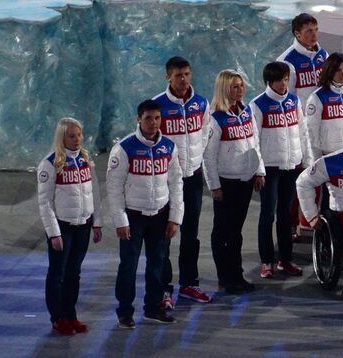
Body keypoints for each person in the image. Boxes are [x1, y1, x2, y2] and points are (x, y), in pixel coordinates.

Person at [107, 100, 183, 329]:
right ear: (139, 119)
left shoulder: (169, 147)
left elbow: (176, 183)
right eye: (148, 118)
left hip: (160, 215)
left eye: (157, 118)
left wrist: (174, 218)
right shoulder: (124, 148)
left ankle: (153, 308)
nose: (153, 123)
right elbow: (114, 188)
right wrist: (121, 220)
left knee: (157, 264)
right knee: (128, 265)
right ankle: (125, 311)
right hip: (133, 217)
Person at [153, 56, 212, 308]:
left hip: (193, 177)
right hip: (167, 181)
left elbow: (205, 133)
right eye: (178, 75)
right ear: (168, 76)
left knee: (191, 234)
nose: (183, 79)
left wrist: (196, 161)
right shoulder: (158, 106)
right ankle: (163, 288)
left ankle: (189, 283)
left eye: (187, 74)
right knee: (164, 235)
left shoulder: (200, 102)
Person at [202, 70, 264, 294]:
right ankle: (225, 277)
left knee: (236, 231)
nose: (240, 90)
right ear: (224, 89)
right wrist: (214, 186)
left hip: (245, 180)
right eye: (235, 86)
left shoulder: (246, 111)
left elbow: (254, 143)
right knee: (223, 232)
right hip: (226, 183)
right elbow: (208, 156)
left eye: (241, 85)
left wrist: (259, 171)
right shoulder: (214, 118)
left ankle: (236, 275)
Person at [38, 117, 101, 336]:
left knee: (74, 273)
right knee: (58, 274)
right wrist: (54, 233)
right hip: (62, 228)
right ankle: (57, 318)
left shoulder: (85, 159)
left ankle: (70, 315)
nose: (76, 140)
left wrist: (97, 222)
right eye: (71, 136)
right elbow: (45, 202)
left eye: (79, 135)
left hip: (83, 225)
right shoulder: (50, 163)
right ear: (62, 137)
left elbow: (94, 193)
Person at [250, 61, 305, 280]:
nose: (284, 84)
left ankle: (285, 259)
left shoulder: (294, 100)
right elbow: (254, 142)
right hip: (270, 170)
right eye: (279, 80)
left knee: (286, 215)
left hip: (291, 166)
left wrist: (305, 159)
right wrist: (259, 170)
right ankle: (267, 262)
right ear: (269, 82)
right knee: (268, 214)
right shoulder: (258, 105)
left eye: (286, 79)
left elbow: (303, 131)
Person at [279, 13, 329, 104]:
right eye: (309, 31)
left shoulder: (324, 54)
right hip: (302, 115)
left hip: (323, 111)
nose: (314, 35)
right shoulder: (286, 61)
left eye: (316, 30)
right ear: (297, 34)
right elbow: (286, 97)